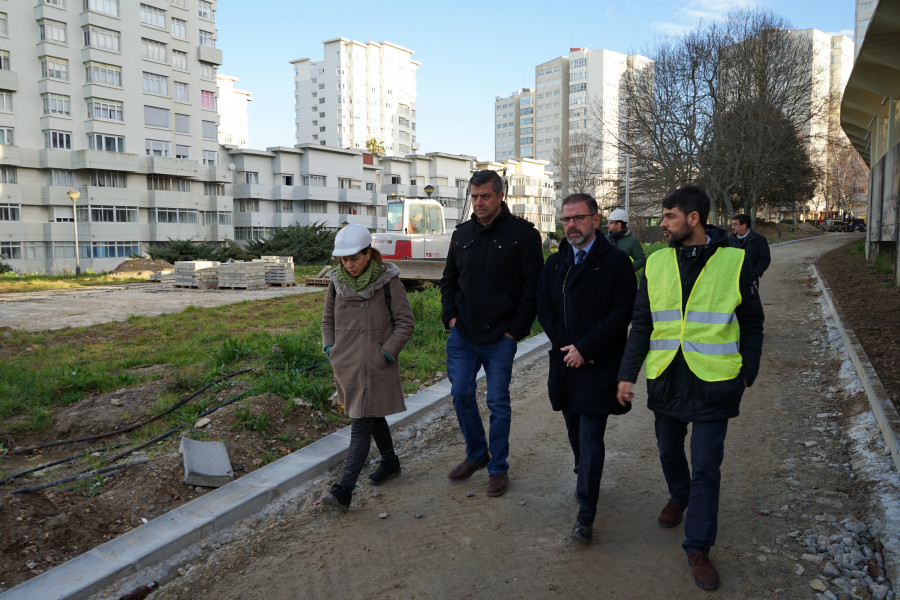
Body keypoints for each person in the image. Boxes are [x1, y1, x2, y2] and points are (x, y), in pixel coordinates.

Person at [616, 186, 764, 590]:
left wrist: (748, 370)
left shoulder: (736, 260)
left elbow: (751, 319)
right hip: (666, 375)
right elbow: (642, 323)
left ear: (693, 218)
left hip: (716, 380)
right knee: (667, 450)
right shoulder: (656, 262)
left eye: (669, 217)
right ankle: (677, 495)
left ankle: (698, 547)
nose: (661, 224)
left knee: (706, 467)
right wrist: (627, 374)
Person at [537, 193, 636, 544]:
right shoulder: (554, 263)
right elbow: (544, 309)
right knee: (574, 429)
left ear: (595, 220)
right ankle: (585, 474)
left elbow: (621, 313)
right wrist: (570, 348)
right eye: (566, 220)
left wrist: (586, 348)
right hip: (566, 363)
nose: (571, 226)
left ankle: (585, 513)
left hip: (599, 364)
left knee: (592, 436)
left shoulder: (616, 262)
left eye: (578, 218)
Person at [440, 169, 544, 497]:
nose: (479, 202)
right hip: (464, 334)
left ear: (501, 196)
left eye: (485, 196)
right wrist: (451, 319)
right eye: (474, 196)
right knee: (460, 393)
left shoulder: (524, 235)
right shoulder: (461, 235)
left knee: (498, 400)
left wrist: (516, 331)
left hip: (501, 336)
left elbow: (533, 289)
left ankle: (498, 467)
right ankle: (476, 454)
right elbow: (449, 281)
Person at [320, 223, 415, 512]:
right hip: (347, 365)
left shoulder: (389, 283)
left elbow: (405, 323)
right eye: (344, 260)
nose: (349, 265)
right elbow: (327, 320)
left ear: (369, 254)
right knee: (370, 416)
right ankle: (390, 462)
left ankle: (344, 489)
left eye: (354, 259)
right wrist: (330, 348)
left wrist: (385, 353)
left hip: (375, 366)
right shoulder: (336, 283)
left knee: (361, 423)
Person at [728, 213, 770, 283]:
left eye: (735, 224)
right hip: (732, 280)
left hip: (751, 281)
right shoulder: (729, 240)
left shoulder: (759, 240)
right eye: (732, 224)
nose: (732, 227)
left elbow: (765, 259)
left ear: (744, 226)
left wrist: (755, 274)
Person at [606, 208, 646, 272]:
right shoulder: (605, 239)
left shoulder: (632, 241)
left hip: (622, 281)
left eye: (610, 223)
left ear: (619, 225)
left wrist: (627, 270)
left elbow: (641, 259)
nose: (607, 225)